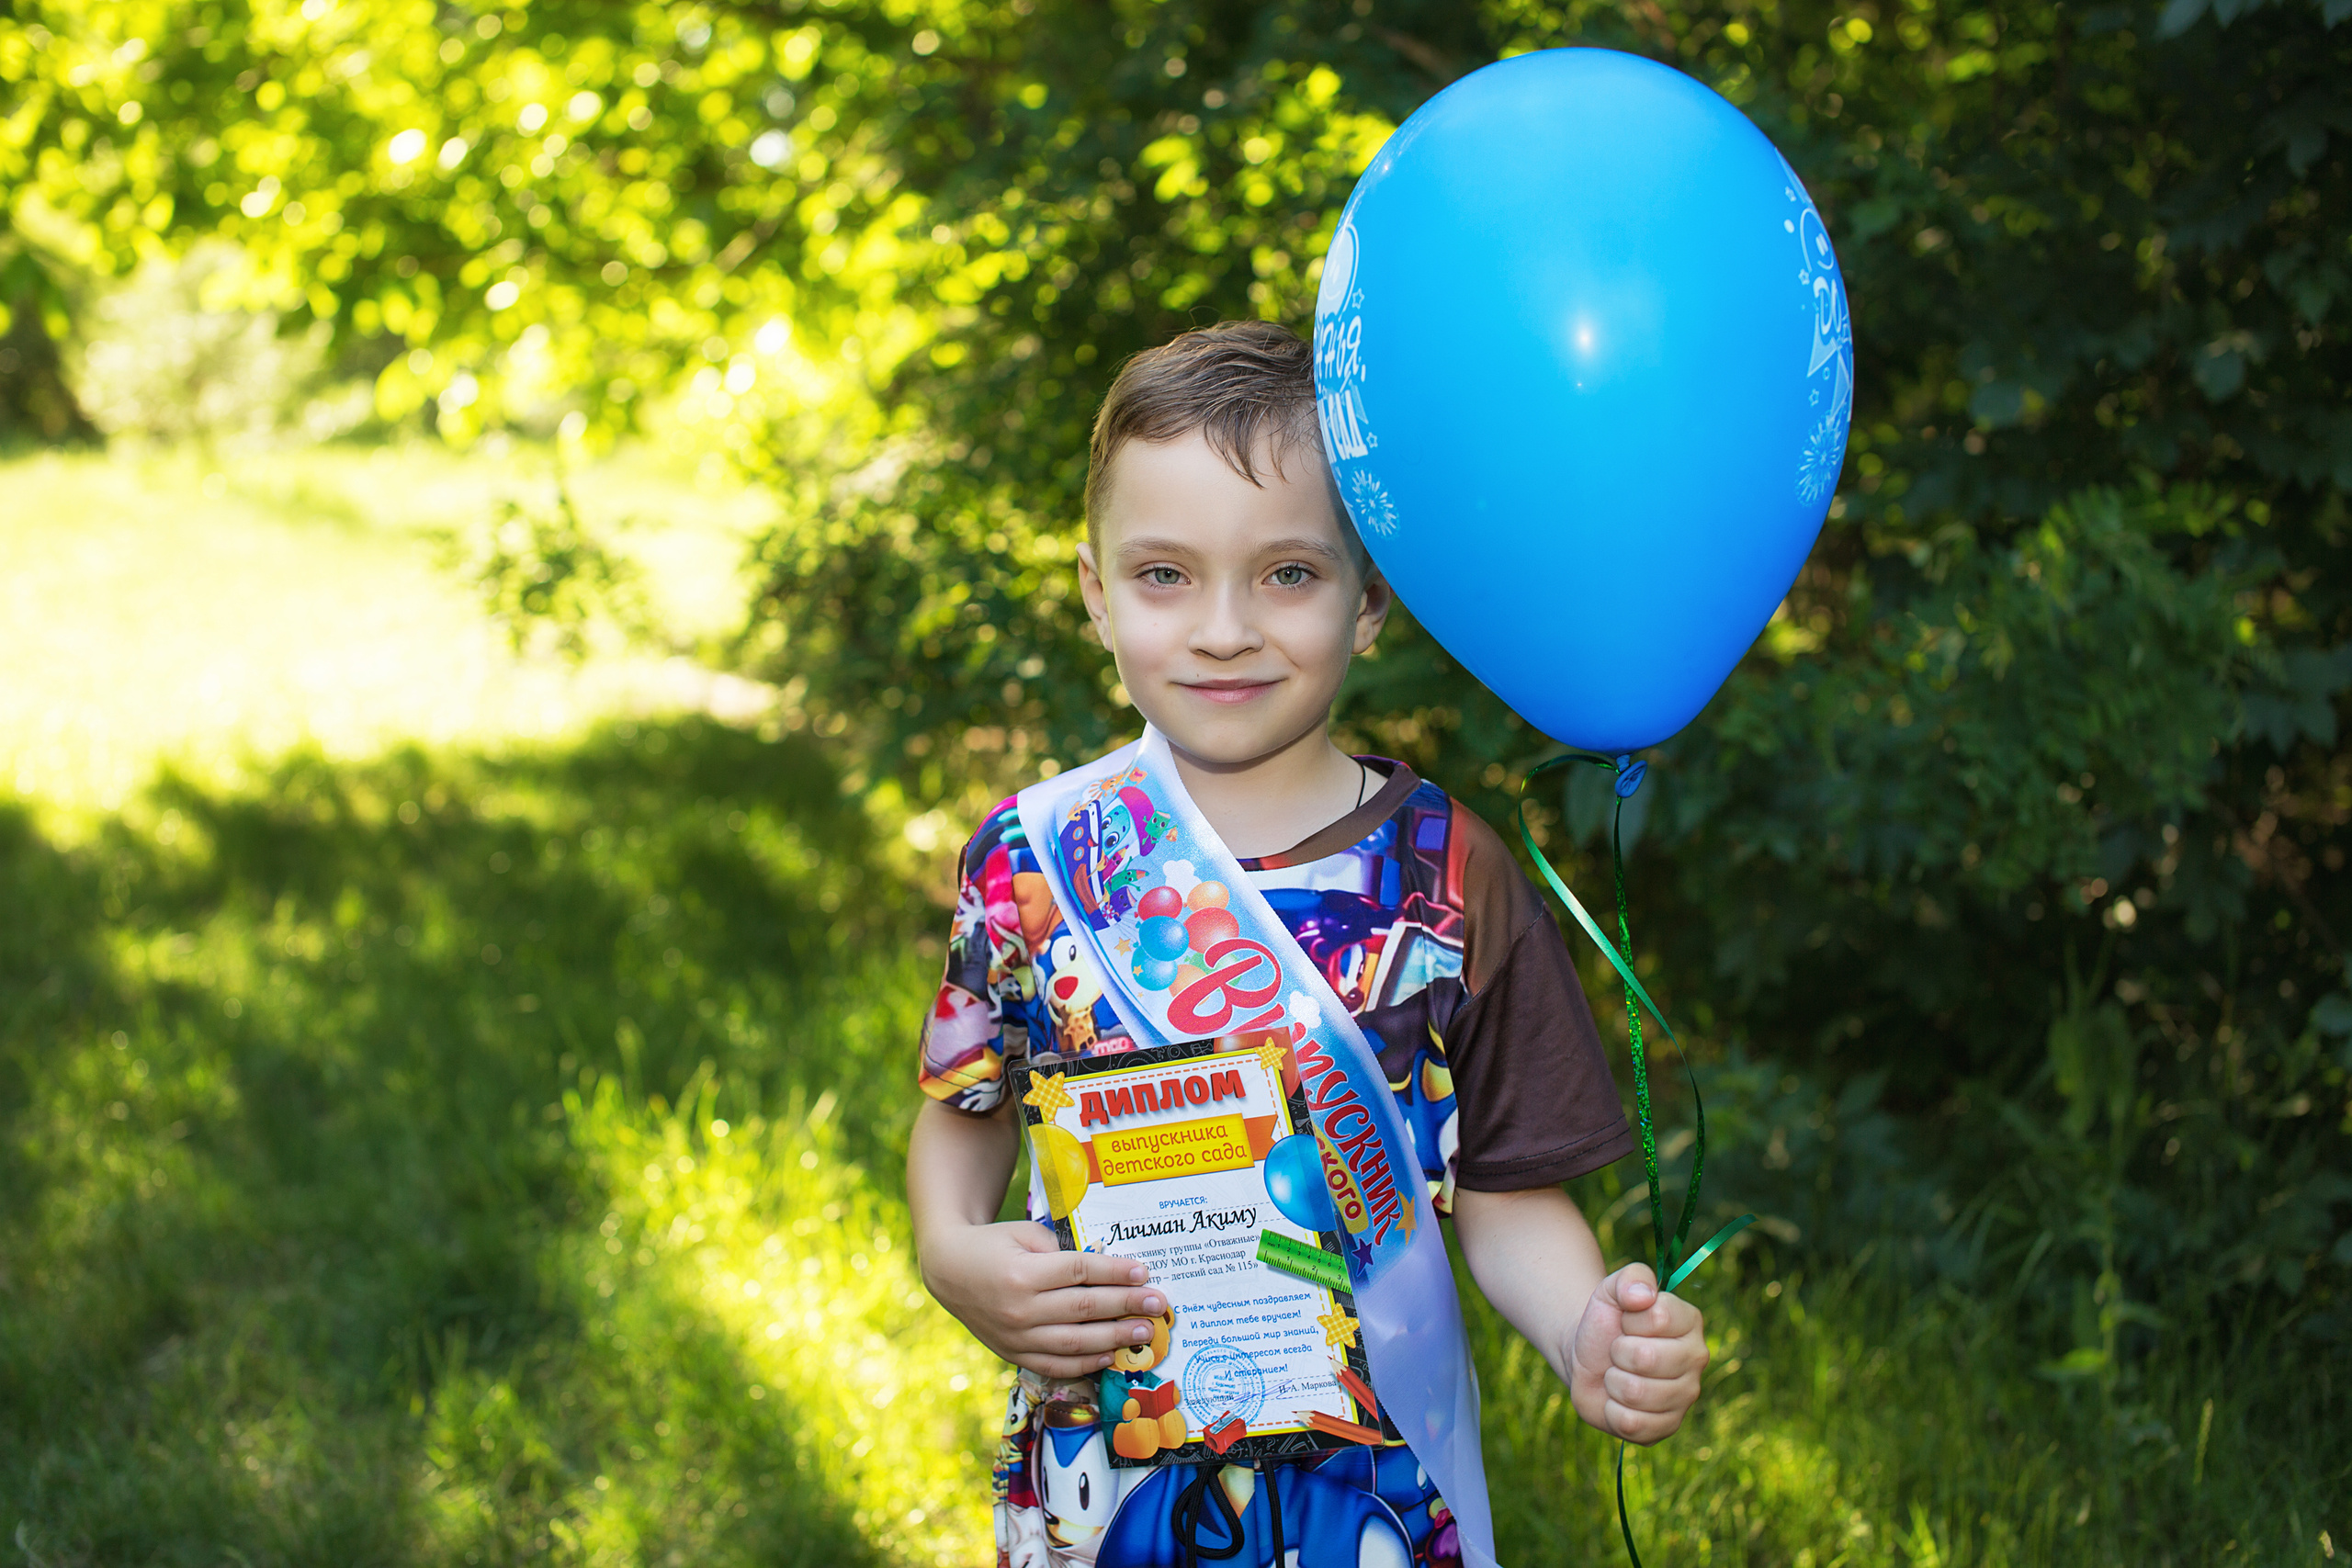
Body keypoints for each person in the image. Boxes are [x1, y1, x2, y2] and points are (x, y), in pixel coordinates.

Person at [907, 320, 1710, 1568]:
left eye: (1287, 573)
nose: (1224, 629)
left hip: (1380, 1505)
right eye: (1164, 575)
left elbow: (1508, 1200)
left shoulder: (1454, 875)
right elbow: (967, 1114)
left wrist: (1583, 1332)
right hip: (1102, 1499)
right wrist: (954, 1254)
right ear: (1095, 595)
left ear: (1372, 595)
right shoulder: (1034, 853)